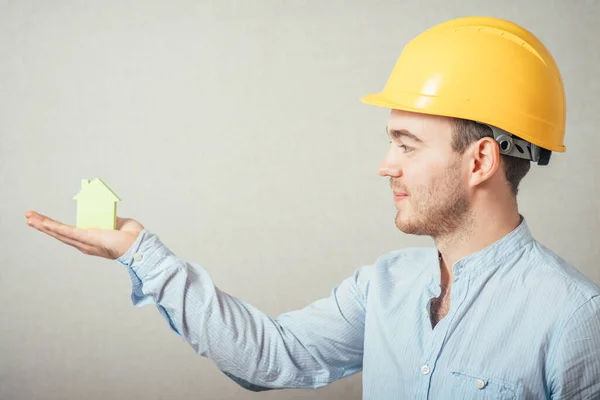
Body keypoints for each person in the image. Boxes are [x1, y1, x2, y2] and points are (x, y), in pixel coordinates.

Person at [25, 16, 600, 399]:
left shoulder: (575, 318)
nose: (385, 164)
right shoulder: (384, 288)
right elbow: (271, 355)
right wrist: (141, 253)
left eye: (407, 143)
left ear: (479, 162)